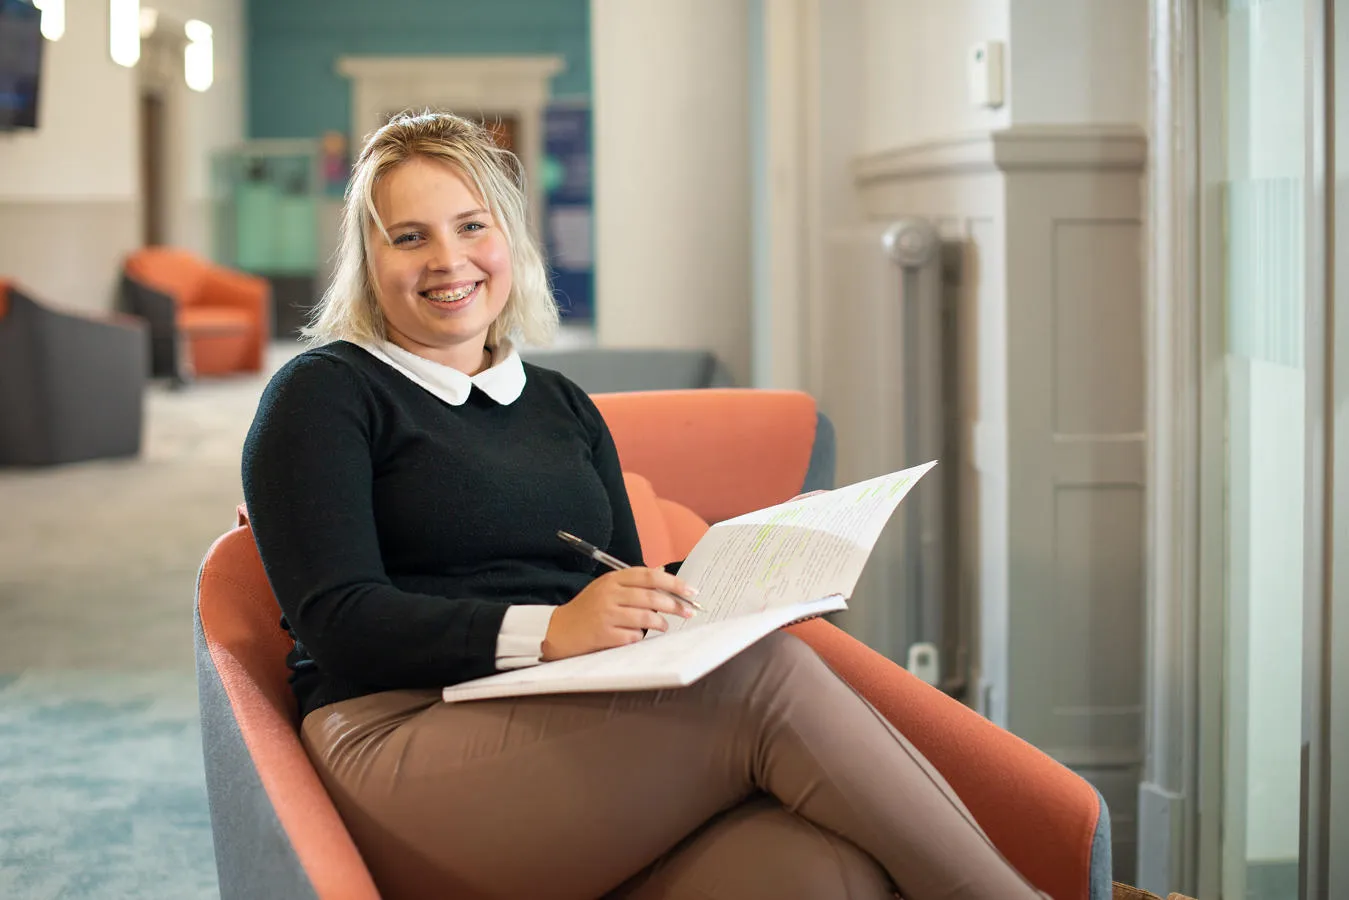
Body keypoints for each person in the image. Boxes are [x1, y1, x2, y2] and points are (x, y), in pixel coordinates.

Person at [241, 111, 1053, 900]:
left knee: (819, 872)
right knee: (764, 683)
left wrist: (731, 586)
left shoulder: (561, 405)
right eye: (408, 236)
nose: (448, 260)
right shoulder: (324, 393)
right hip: (397, 744)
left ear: (511, 243)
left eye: (470, 227)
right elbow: (338, 619)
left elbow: (622, 587)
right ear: (366, 261)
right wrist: (552, 630)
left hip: (569, 727)